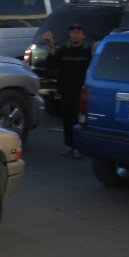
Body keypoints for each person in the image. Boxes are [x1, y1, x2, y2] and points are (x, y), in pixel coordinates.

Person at [42, 24, 92, 158]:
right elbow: (52, 65)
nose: (74, 34)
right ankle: (69, 145)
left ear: (83, 35)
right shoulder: (65, 49)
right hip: (66, 90)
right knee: (67, 119)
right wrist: (51, 46)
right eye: (73, 32)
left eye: (78, 32)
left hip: (80, 91)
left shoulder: (88, 51)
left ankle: (78, 147)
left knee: (77, 119)